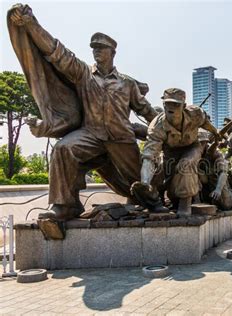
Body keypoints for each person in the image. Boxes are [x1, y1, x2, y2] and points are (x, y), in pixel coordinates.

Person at [9, 4, 159, 220]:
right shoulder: (84, 75)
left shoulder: (127, 84)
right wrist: (31, 25)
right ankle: (65, 205)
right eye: (94, 48)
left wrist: (164, 129)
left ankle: (143, 200)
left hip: (122, 139)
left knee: (143, 186)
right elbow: (56, 52)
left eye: (101, 47)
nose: (97, 51)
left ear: (112, 52)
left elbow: (146, 111)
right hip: (91, 135)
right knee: (63, 149)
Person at [140, 88, 220, 216]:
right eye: (167, 104)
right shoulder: (157, 127)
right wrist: (144, 182)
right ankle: (158, 200)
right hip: (170, 153)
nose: (171, 108)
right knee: (161, 173)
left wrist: (216, 133)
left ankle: (185, 203)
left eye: (176, 104)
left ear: (184, 106)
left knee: (186, 164)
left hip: (192, 147)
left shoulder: (195, 113)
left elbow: (205, 123)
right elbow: (149, 156)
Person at [197, 130, 232, 210]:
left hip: (220, 187)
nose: (200, 145)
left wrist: (218, 189)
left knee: (225, 204)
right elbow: (204, 180)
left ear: (206, 143)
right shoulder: (197, 154)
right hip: (208, 188)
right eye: (198, 143)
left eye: (202, 143)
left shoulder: (216, 154)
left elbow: (223, 173)